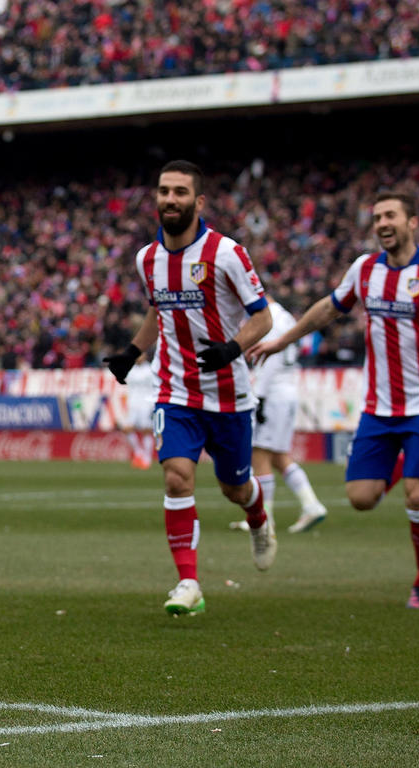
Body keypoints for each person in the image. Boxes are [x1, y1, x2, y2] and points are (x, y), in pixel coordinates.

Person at [248, 190, 419, 609]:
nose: (382, 224)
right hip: (377, 410)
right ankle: (403, 466)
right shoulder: (365, 269)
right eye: (377, 218)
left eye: (390, 215)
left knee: (417, 497)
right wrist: (282, 341)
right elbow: (328, 309)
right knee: (360, 499)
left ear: (412, 222)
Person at [104, 160, 275, 617]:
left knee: (235, 489)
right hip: (176, 390)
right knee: (177, 475)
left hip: (229, 394)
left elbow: (263, 318)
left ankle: (258, 515)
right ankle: (188, 582)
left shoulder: (226, 254)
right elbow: (158, 313)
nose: (170, 200)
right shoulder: (147, 258)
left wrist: (231, 349)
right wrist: (132, 352)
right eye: (163, 191)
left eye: (180, 192)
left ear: (198, 201)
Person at [230, 297, 329, 533]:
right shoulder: (284, 316)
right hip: (287, 389)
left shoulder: (267, 319)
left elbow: (269, 359)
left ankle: (265, 518)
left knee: (259, 454)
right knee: (278, 456)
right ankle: (311, 504)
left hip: (273, 393)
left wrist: (260, 397)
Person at [119, 356, 156, 469]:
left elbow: (155, 387)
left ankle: (147, 458)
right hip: (133, 404)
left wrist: (153, 405)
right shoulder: (131, 370)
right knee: (126, 429)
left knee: (146, 431)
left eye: (141, 355)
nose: (139, 357)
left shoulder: (151, 369)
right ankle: (139, 452)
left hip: (146, 404)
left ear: (145, 355)